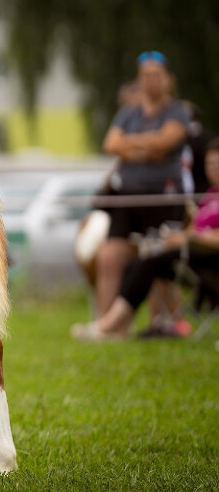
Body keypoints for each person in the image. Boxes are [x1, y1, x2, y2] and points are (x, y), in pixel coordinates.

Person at [73, 137, 219, 340]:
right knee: (141, 261)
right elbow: (193, 229)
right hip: (191, 254)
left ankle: (110, 325)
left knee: (148, 263)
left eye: (217, 164)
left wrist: (189, 239)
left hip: (209, 260)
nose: (213, 169)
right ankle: (127, 324)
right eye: (210, 164)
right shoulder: (210, 196)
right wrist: (179, 237)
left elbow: (205, 236)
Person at [92, 51, 190, 317]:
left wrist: (130, 143)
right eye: (146, 75)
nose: (152, 81)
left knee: (161, 258)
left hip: (163, 198)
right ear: (139, 78)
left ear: (168, 79)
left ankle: (167, 322)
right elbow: (111, 144)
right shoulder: (128, 112)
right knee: (109, 256)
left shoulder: (178, 111)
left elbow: (165, 144)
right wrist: (149, 145)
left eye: (157, 75)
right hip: (128, 197)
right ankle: (109, 326)